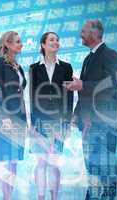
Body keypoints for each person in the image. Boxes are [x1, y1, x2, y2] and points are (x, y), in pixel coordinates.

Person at [65, 19, 117, 200]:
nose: (80, 34)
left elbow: (112, 83)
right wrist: (76, 115)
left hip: (104, 124)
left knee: (106, 172)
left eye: (83, 31)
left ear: (95, 33)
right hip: (88, 125)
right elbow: (85, 92)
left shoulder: (110, 54)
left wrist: (83, 84)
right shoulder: (88, 58)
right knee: (93, 172)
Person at [29, 32, 74, 200]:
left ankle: (54, 197)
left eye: (57, 40)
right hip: (39, 121)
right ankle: (41, 197)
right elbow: (32, 97)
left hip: (59, 122)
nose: (56, 42)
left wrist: (67, 123)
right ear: (43, 44)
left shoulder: (66, 67)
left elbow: (69, 97)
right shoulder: (34, 68)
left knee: (54, 162)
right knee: (41, 163)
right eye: (52, 40)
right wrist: (32, 125)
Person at [0, 31, 27, 200]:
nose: (21, 44)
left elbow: (20, 93)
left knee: (13, 160)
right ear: (7, 44)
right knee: (5, 159)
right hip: (4, 117)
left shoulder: (17, 66)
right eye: (18, 42)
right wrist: (5, 117)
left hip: (19, 118)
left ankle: (9, 197)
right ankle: (6, 197)